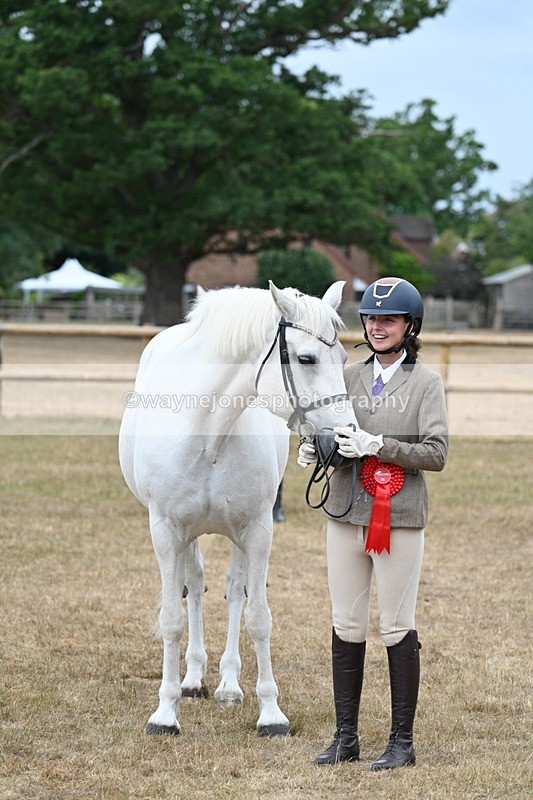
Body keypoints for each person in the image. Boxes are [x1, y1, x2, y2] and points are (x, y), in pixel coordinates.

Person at [298, 277, 448, 771]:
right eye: (372, 319)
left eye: (389, 319)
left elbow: (437, 453)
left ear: (409, 326)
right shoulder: (346, 374)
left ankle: (401, 741)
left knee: (397, 625)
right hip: (344, 513)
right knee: (347, 624)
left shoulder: (426, 384)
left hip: (399, 518)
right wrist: (320, 452)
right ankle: (346, 737)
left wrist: (379, 446)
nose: (378, 327)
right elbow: (335, 434)